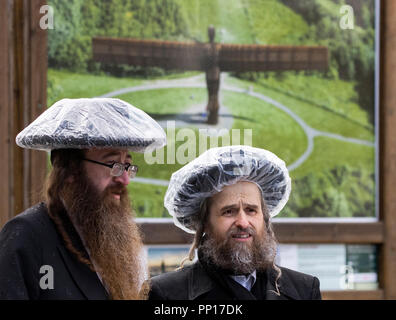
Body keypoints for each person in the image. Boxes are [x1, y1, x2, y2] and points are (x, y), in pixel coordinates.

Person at [0, 98, 166, 300]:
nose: (124, 179)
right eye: (112, 164)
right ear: (70, 169)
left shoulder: (112, 239)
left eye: (127, 166)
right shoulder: (26, 236)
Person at [148, 145, 321, 300]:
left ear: (265, 217)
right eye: (228, 211)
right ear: (205, 222)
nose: (243, 222)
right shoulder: (166, 294)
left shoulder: (304, 290)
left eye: (251, 210)